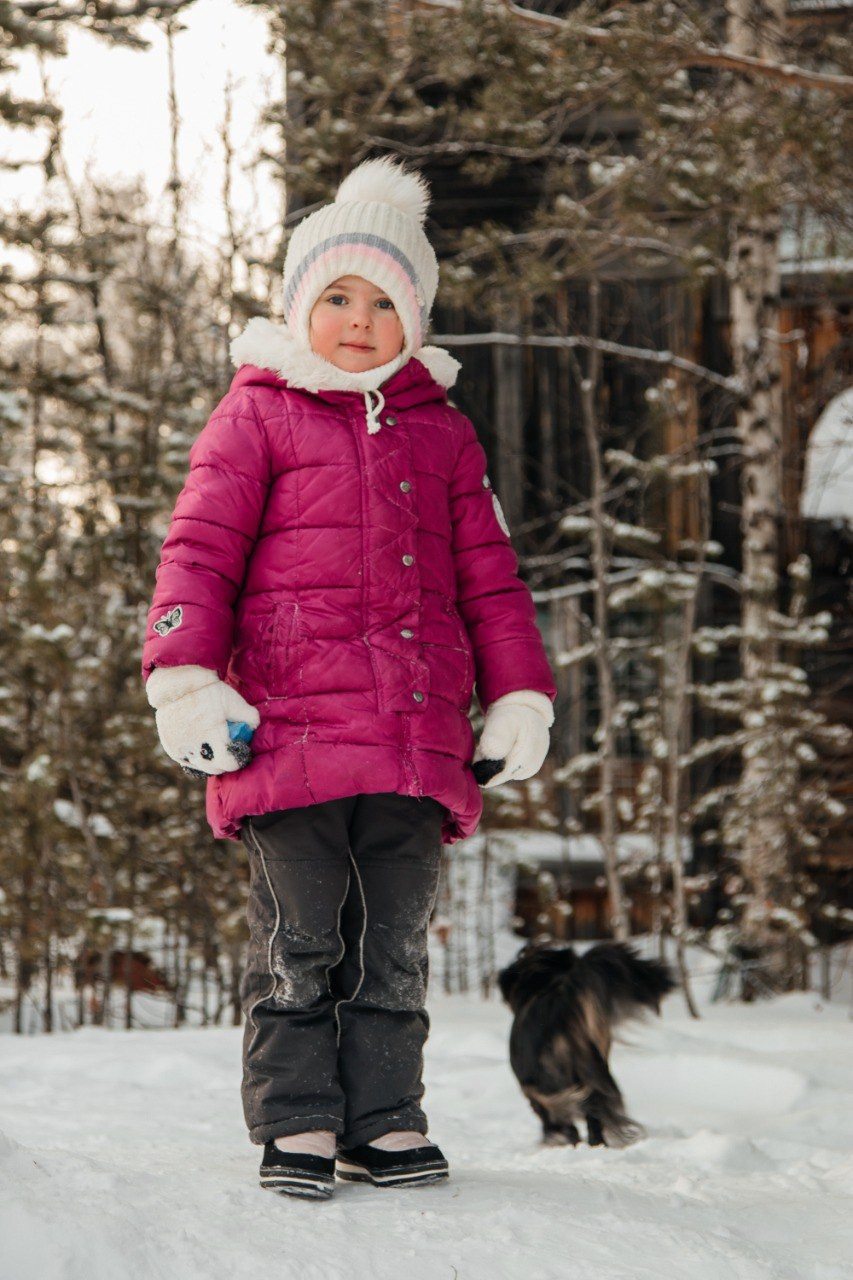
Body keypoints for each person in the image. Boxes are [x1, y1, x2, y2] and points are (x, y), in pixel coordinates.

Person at [142, 158, 556, 1199]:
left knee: (393, 948)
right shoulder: (256, 417)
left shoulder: (442, 433)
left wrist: (518, 694)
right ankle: (299, 1117)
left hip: (415, 741)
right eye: (338, 296)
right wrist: (185, 676)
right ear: (298, 306)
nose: (360, 321)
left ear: (413, 318)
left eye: (383, 302)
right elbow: (198, 555)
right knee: (300, 939)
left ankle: (384, 1116)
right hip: (289, 739)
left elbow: (491, 579)